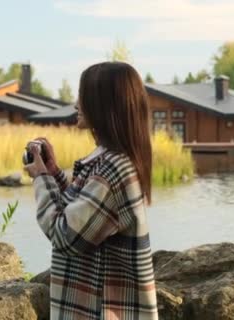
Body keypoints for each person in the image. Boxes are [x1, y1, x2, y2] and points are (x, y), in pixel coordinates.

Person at [24, 62, 158, 320]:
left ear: (104, 105)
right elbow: (84, 216)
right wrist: (53, 173)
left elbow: (66, 236)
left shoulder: (113, 169)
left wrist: (41, 178)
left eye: (83, 96)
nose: (76, 104)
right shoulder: (110, 161)